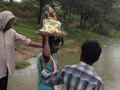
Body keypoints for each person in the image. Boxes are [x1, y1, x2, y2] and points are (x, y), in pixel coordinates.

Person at [0, 11, 42, 90]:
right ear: (3, 20)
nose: (10, 26)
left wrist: (43, 46)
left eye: (12, 24)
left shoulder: (12, 32)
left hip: (4, 71)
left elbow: (27, 41)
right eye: (8, 23)